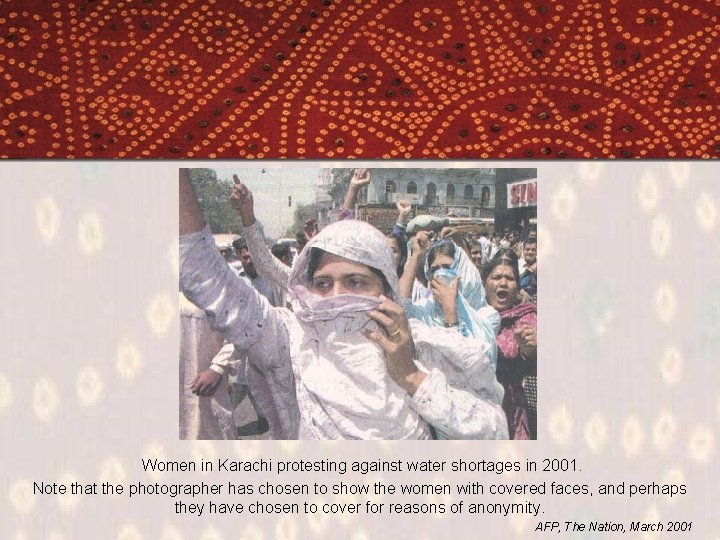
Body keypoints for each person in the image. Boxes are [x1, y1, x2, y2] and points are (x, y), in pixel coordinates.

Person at [180, 170, 507, 440]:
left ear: (387, 291)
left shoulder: (425, 347)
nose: (336, 297)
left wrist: (410, 376)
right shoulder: (294, 345)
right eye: (323, 284)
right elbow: (205, 273)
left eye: (355, 282)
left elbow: (493, 435)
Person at [482, 249, 537, 440]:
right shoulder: (470, 315)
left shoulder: (526, 317)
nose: (503, 283)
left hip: (511, 413)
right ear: (484, 283)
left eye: (510, 278)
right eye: (496, 277)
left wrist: (530, 351)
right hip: (474, 412)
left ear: (517, 286)